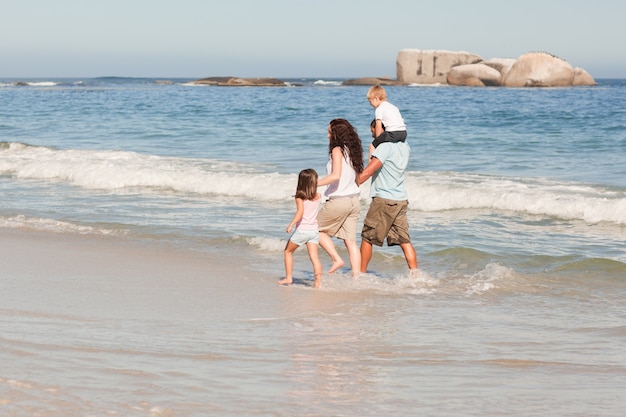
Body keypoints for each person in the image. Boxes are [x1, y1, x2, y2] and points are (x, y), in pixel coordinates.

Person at [357, 120, 418, 274]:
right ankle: (416, 274)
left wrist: (353, 183)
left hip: (384, 199)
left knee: (367, 237)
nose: (372, 135)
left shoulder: (385, 147)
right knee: (404, 240)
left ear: (380, 129)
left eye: (373, 131)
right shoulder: (405, 147)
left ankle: (360, 274)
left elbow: (369, 170)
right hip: (400, 199)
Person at [316, 118, 364, 277]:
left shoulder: (337, 150)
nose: (327, 135)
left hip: (339, 201)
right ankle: (357, 278)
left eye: (329, 132)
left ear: (336, 134)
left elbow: (335, 176)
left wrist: (313, 184)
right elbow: (357, 179)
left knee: (314, 230)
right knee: (351, 242)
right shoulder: (353, 151)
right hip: (354, 202)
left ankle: (336, 259)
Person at [278, 168, 323, 288]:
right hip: (314, 231)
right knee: (314, 257)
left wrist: (291, 225)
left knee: (288, 251)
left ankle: (288, 277)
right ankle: (317, 282)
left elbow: (300, 213)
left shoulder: (299, 197)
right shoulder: (318, 196)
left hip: (302, 230)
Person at [366, 85, 407, 151]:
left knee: (372, 146)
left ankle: (372, 161)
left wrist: (377, 140)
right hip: (403, 133)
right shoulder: (393, 107)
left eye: (370, 101)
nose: (370, 104)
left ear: (376, 98)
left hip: (392, 133)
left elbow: (378, 125)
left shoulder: (379, 109)